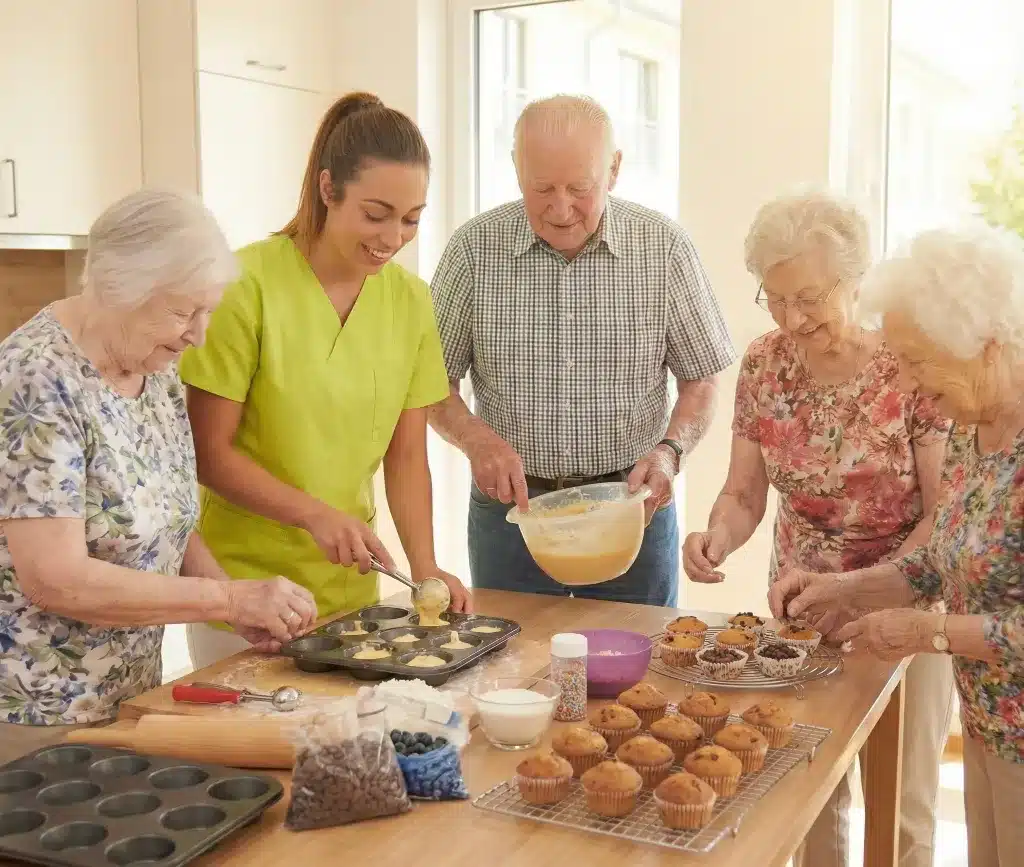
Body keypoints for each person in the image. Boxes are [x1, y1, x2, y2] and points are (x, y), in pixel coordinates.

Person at [682, 192, 954, 867]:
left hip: (904, 612)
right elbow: (744, 492)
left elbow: (942, 514)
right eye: (774, 299)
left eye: (808, 298)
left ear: (857, 278)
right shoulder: (764, 364)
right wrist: (717, 535)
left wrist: (862, 591)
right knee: (810, 796)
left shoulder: (911, 363)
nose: (792, 319)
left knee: (905, 806)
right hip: (801, 616)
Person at [0, 189, 317, 763]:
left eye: (207, 311)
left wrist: (233, 610)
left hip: (130, 697)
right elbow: (55, 579)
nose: (198, 334)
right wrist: (228, 598)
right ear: (118, 288)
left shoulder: (153, 366)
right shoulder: (35, 380)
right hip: (37, 715)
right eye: (182, 312)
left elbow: (171, 517)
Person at [179, 92, 470, 670]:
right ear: (328, 188)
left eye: (411, 219)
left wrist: (425, 568)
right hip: (242, 593)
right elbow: (208, 455)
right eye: (376, 214)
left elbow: (406, 457)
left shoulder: (411, 300)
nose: (392, 237)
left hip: (349, 594)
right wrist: (313, 515)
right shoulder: (244, 285)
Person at [770, 223, 1024, 867]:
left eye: (917, 361)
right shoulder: (973, 428)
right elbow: (940, 558)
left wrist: (926, 633)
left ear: (985, 346)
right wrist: (845, 589)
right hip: (990, 724)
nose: (905, 384)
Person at [428, 94, 735, 606]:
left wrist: (670, 452)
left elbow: (700, 379)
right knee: (512, 652)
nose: (560, 208)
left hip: (631, 509)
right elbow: (430, 381)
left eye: (579, 188)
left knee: (641, 652)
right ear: (516, 169)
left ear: (613, 170)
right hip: (512, 513)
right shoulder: (473, 250)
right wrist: (475, 440)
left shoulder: (664, 247)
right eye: (541, 188)